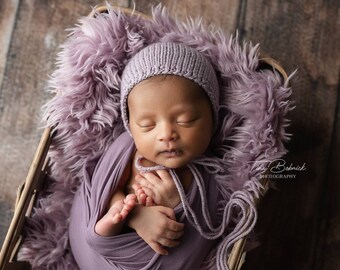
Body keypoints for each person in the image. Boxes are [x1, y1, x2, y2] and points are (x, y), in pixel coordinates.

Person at [69, 42, 223, 270]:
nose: (167, 134)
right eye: (147, 125)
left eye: (185, 120)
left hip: (159, 254)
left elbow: (205, 227)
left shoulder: (210, 174)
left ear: (212, 115)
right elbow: (103, 191)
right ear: (130, 126)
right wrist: (132, 215)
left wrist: (176, 204)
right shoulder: (129, 152)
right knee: (99, 227)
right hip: (97, 249)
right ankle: (103, 234)